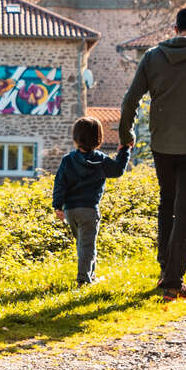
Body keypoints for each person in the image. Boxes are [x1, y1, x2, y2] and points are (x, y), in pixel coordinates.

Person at [119, 4, 186, 301]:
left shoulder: (153, 56)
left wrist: (126, 135)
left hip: (162, 146)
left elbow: (130, 100)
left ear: (175, 29)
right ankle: (173, 283)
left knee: (167, 204)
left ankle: (165, 270)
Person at [53, 116, 130, 285]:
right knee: (87, 246)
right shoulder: (100, 159)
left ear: (75, 138)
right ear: (99, 138)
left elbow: (60, 184)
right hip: (88, 210)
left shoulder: (67, 160)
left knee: (83, 245)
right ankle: (84, 280)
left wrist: (57, 206)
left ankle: (91, 275)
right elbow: (118, 170)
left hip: (70, 210)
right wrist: (124, 151)